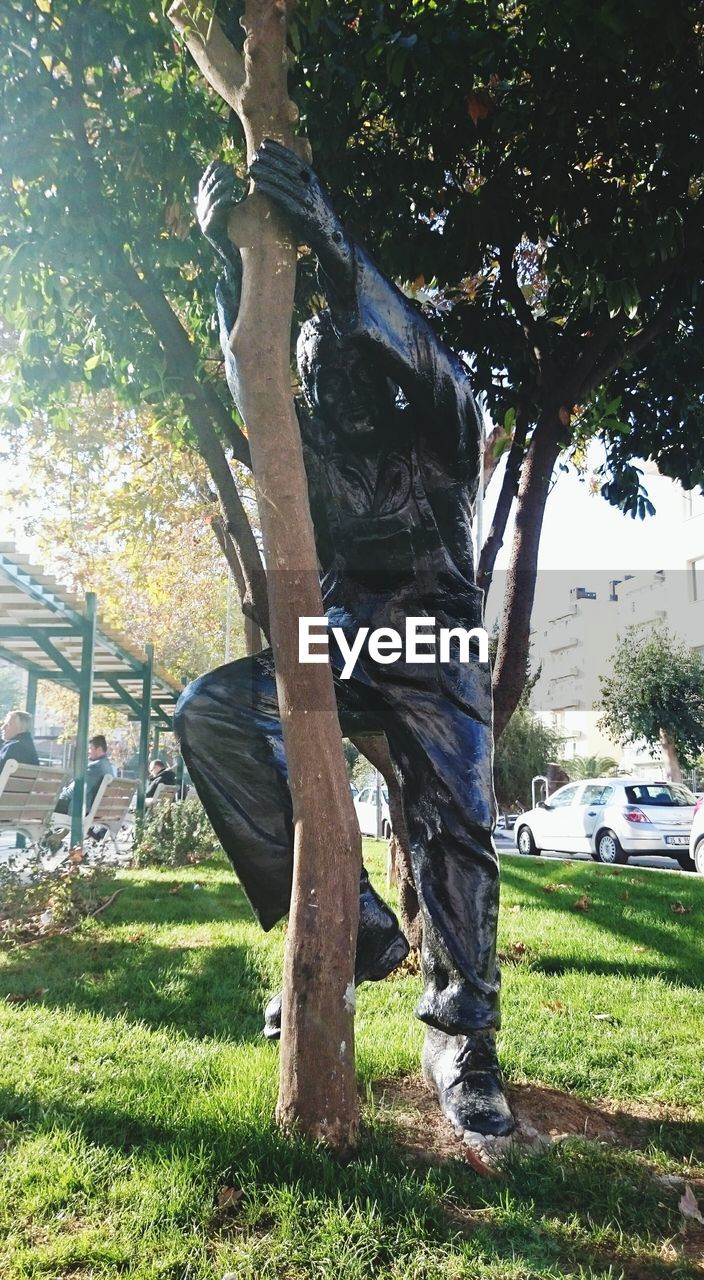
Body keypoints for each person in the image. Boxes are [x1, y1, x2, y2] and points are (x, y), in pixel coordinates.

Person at [174, 142, 513, 1137]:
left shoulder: (433, 426)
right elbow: (254, 390)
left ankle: (463, 1037)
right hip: (346, 638)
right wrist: (222, 263)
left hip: (436, 642)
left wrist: (327, 239)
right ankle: (353, 927)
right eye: (317, 384)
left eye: (350, 374)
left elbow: (435, 374)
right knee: (215, 714)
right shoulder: (314, 443)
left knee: (455, 823)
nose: (332, 396)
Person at [55, 734, 115, 816]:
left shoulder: (95, 767)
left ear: (99, 749)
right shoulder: (108, 767)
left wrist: (61, 792)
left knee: (43, 804)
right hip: (92, 809)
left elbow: (76, 791)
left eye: (90, 748)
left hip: (78, 809)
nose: (88, 751)